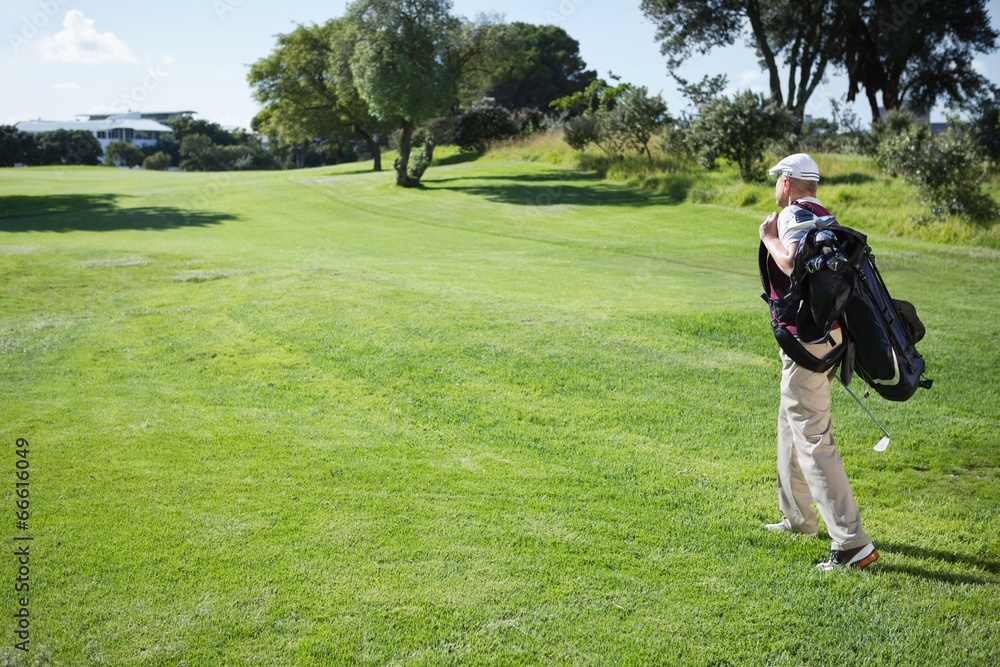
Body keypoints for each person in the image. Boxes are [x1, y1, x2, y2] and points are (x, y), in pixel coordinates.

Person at [758, 153, 879, 571]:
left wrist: (768, 237)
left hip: (806, 343)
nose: (776, 186)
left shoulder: (791, 216)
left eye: (778, 180)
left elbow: (790, 262)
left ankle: (851, 543)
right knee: (791, 424)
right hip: (830, 340)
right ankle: (798, 518)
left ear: (789, 183)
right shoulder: (825, 216)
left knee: (812, 437)